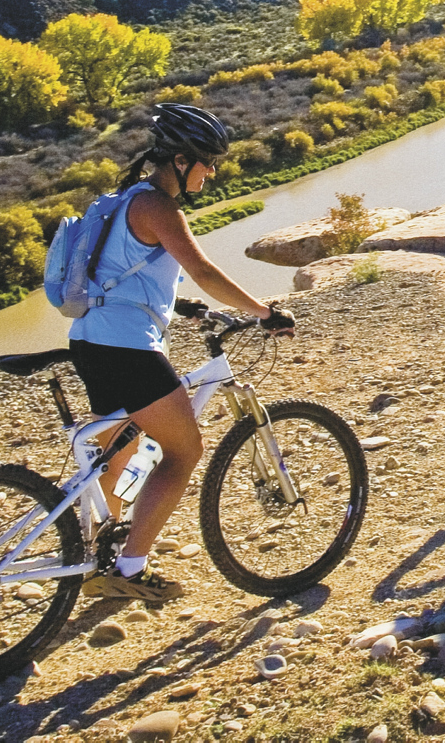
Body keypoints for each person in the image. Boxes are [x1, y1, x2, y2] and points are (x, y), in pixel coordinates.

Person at [73, 103, 294, 603]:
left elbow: (121, 272)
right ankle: (130, 568)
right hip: (128, 348)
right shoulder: (159, 206)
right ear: (179, 160)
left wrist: (178, 305)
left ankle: (95, 560)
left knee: (117, 455)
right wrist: (264, 313)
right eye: (207, 162)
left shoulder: (124, 199)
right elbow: (205, 272)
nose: (211, 173)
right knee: (183, 451)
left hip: (90, 340)